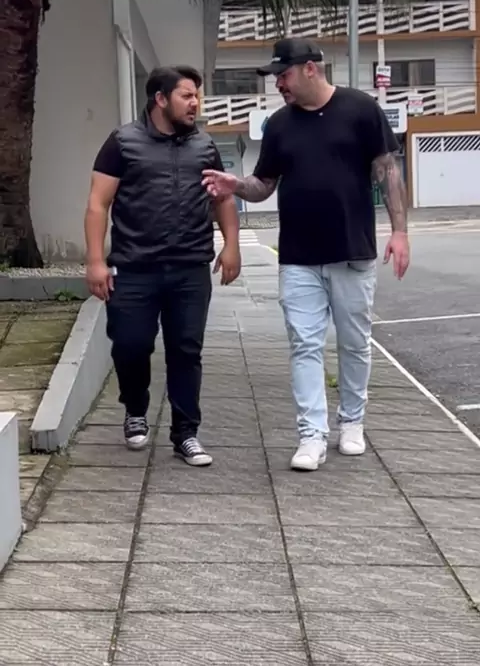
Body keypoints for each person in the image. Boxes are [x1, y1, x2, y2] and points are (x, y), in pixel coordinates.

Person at [202, 38, 409, 471]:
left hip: (352, 252)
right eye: (276, 77)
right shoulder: (279, 125)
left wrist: (400, 232)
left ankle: (352, 422)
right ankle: (311, 435)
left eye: (284, 75)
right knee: (304, 345)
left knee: (354, 343)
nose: (278, 84)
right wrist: (235, 185)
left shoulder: (361, 109)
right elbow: (264, 185)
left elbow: (387, 170)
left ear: (310, 69)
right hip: (298, 257)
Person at [84, 66, 241, 466]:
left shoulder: (204, 145)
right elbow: (98, 203)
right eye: (186, 96)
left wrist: (232, 246)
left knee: (186, 351)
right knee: (130, 345)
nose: (195, 104)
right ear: (160, 99)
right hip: (135, 268)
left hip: (190, 267)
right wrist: (96, 261)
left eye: (196, 96)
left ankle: (186, 433)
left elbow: (222, 199)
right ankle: (135, 408)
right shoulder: (122, 142)